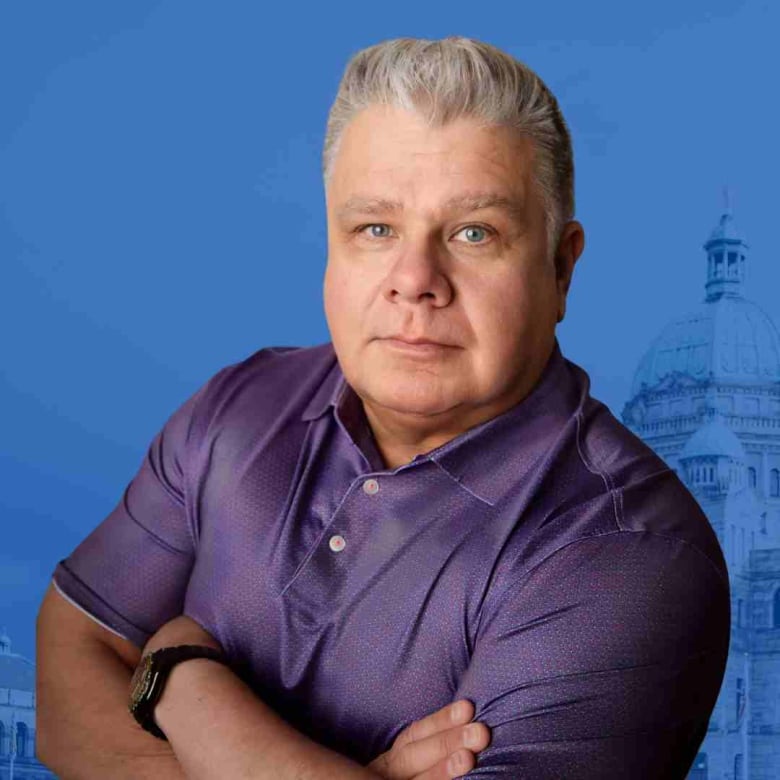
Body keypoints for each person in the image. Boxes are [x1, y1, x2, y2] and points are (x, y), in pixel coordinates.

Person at [36, 36, 730, 779]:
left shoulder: (630, 554)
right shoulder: (238, 406)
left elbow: (116, 682)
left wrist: (179, 674)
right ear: (331, 250)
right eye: (376, 229)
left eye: (473, 233)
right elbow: (65, 676)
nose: (416, 279)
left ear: (560, 267)